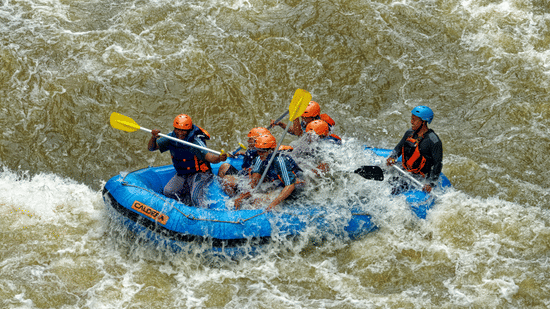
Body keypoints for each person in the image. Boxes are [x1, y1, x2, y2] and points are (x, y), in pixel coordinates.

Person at [148, 114, 227, 206]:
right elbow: (151, 148)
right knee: (168, 191)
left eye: (183, 130)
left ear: (189, 130)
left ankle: (202, 214)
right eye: (178, 129)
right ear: (174, 128)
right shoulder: (171, 137)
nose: (180, 133)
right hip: (183, 173)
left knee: (196, 197)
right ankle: (186, 206)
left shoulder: (196, 141)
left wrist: (219, 158)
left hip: (200, 173)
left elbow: (209, 157)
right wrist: (153, 138)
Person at [234, 134, 302, 211]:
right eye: (258, 151)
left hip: (293, 186)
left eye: (262, 151)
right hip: (277, 183)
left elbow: (290, 186)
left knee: (257, 202)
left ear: (272, 150)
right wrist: (242, 197)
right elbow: (254, 182)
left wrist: (272, 204)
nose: (259, 154)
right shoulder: (259, 159)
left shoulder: (280, 160)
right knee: (251, 199)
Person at [386, 106, 442, 193]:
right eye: (412, 118)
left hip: (419, 176)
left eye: (415, 119)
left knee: (394, 188)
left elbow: (437, 165)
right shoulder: (409, 133)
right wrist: (393, 157)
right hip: (404, 168)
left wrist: (430, 184)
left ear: (423, 122)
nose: (411, 122)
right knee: (383, 175)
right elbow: (398, 148)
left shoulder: (434, 141)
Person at [270, 101, 336, 137]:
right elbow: (295, 131)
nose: (303, 119)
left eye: (305, 117)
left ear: (314, 117)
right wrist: (281, 124)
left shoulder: (319, 126)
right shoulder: (307, 122)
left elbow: (299, 133)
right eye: (302, 116)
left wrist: (295, 118)